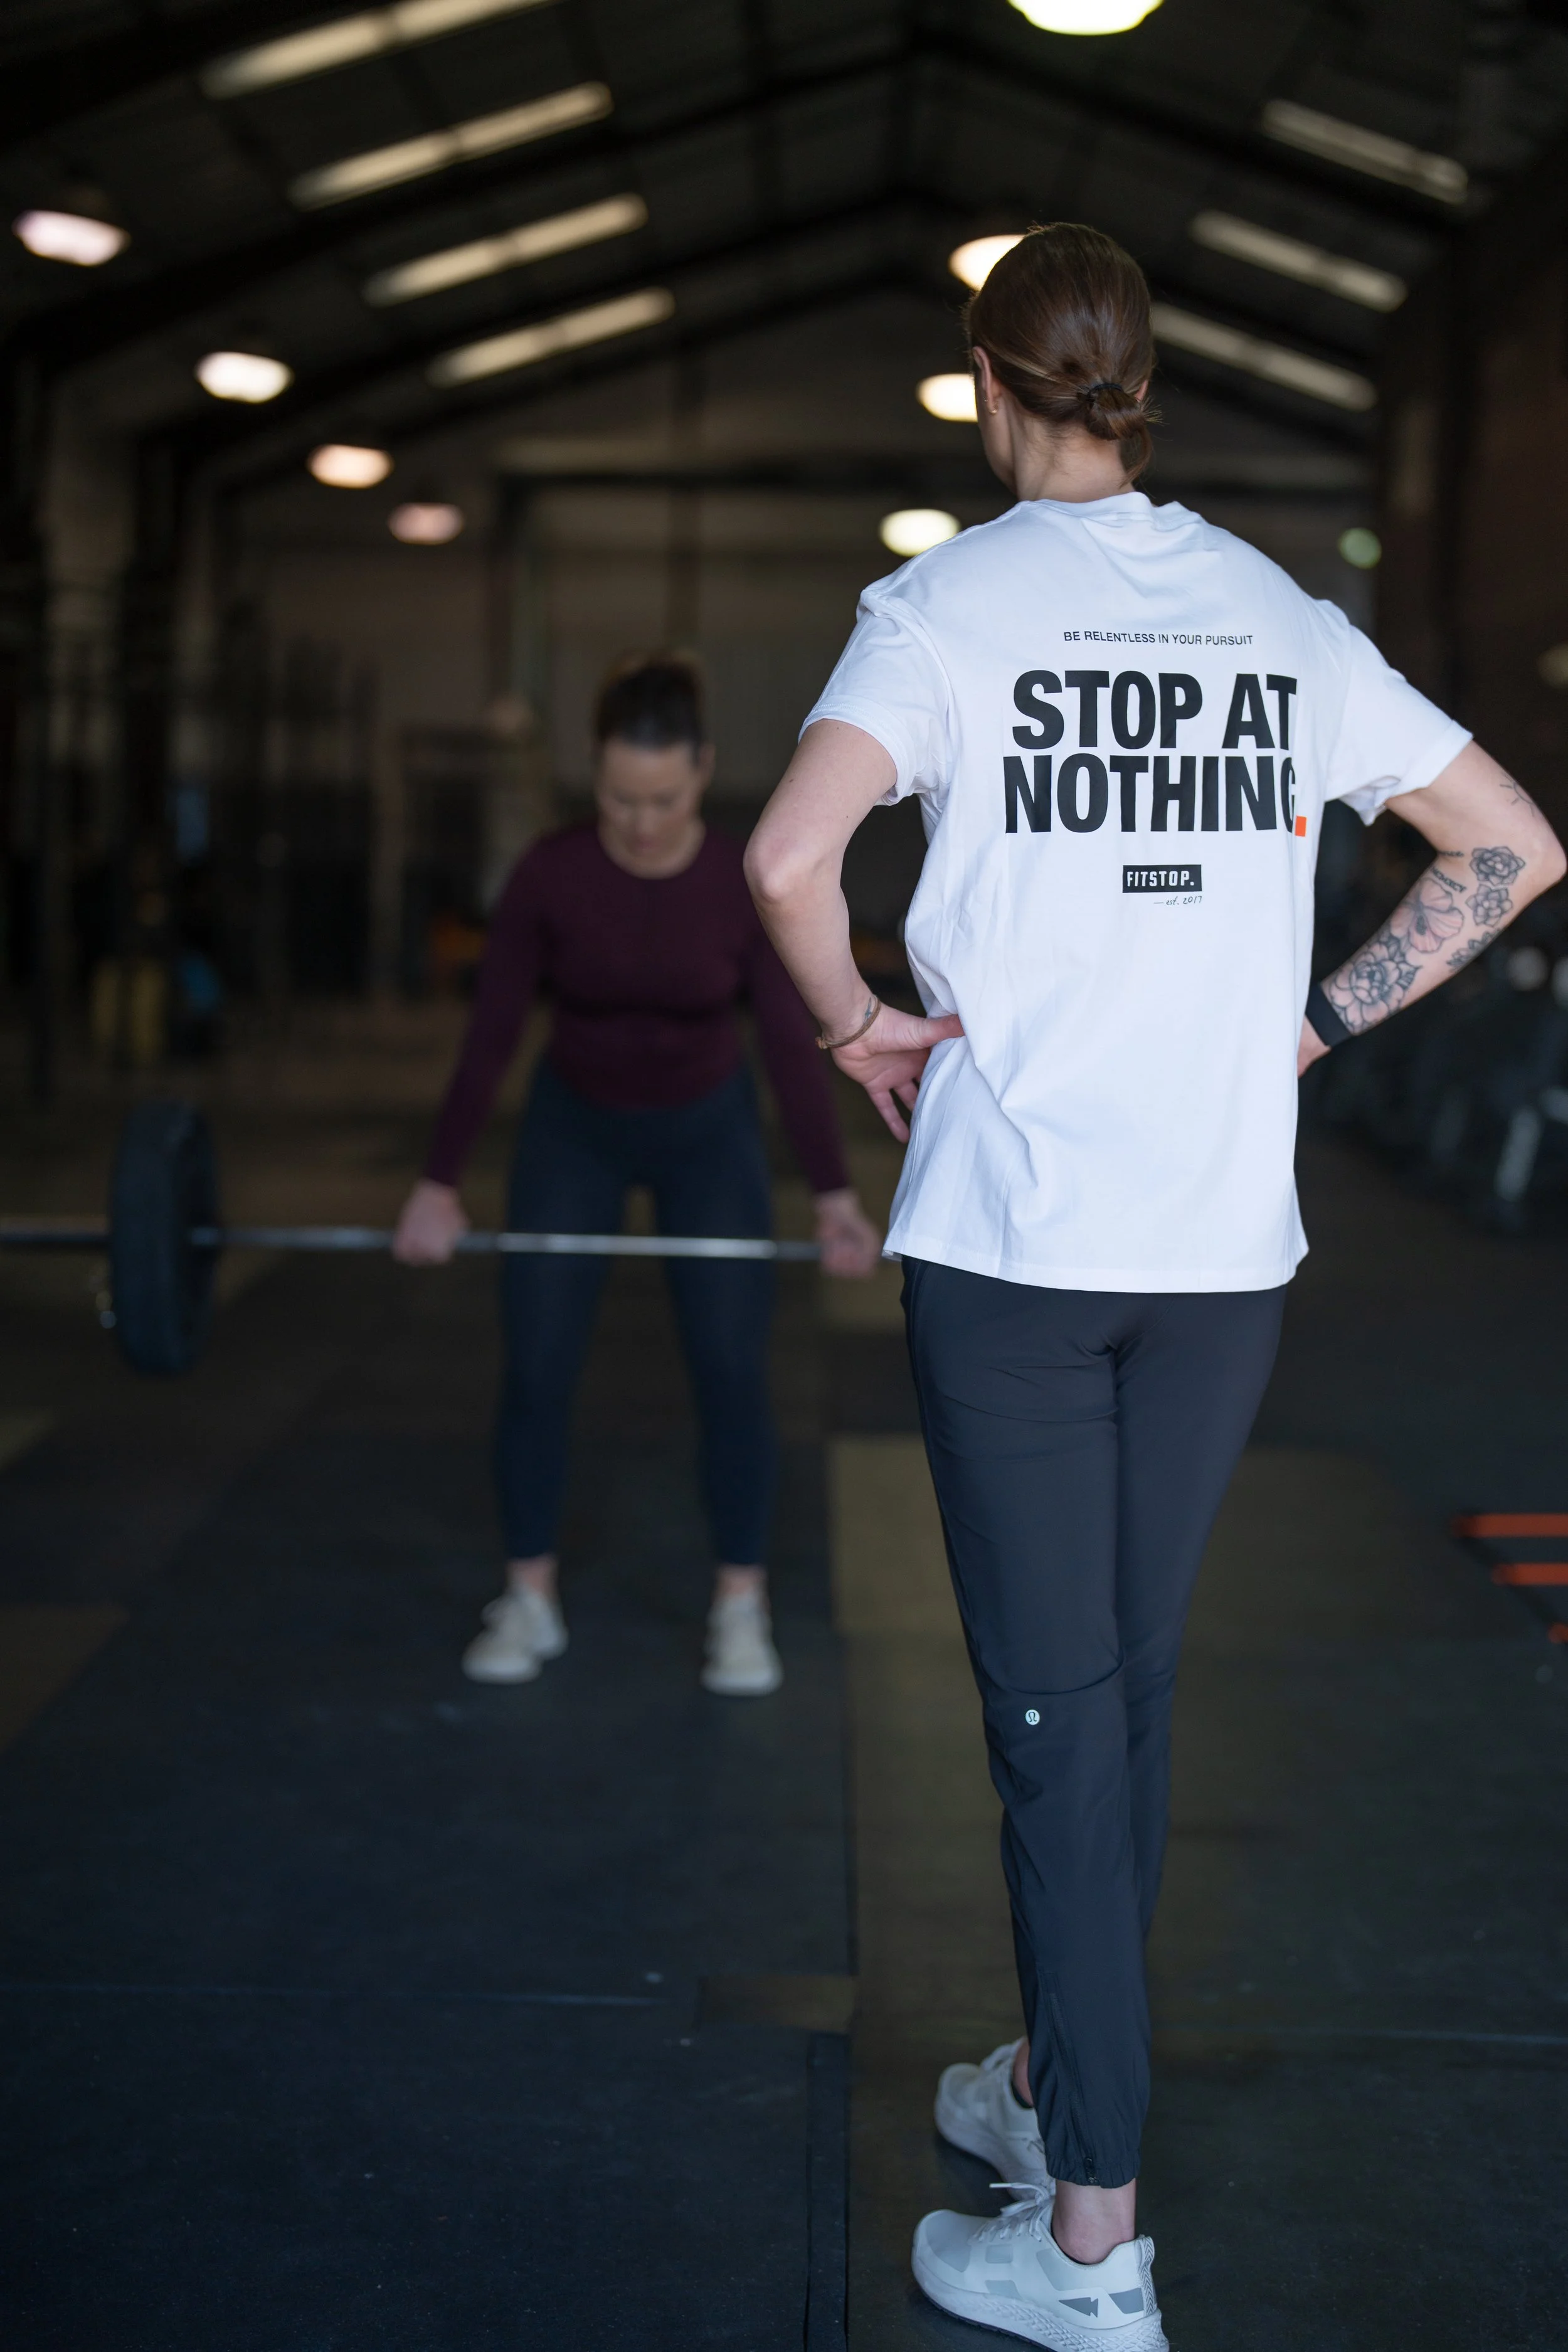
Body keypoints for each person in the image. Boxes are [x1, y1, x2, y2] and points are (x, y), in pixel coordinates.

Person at [745, 223, 1563, 2348]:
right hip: (1218, 1262)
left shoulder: (943, 614)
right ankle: (1046, 2083)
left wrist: (852, 1028)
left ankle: (1093, 2250)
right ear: (1143, 389)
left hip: (1018, 1252)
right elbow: (1508, 845)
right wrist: (1312, 1024)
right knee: (1116, 1689)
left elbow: (778, 862)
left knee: (1052, 1719)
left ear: (993, 384)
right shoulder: (1277, 622)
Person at [393, 655, 879, 1697]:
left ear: (702, 771)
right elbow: (488, 1038)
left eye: (662, 798)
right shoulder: (551, 875)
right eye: (619, 796)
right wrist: (438, 1182)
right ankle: (528, 1595)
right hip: (577, 1131)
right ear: (593, 775)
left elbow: (792, 1048)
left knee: (733, 1370)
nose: (641, 819)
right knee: (536, 1362)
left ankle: (740, 1606)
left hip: (708, 1131)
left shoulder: (739, 883)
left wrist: (835, 1194)